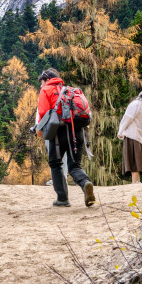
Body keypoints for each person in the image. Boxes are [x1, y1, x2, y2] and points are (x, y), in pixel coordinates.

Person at [36, 68, 96, 208]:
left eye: (41, 82)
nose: (40, 85)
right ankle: (85, 183)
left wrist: (39, 130)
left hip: (58, 133)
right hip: (77, 131)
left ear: (47, 80)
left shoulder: (46, 91)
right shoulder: (70, 90)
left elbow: (44, 112)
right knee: (74, 165)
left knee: (56, 164)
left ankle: (62, 199)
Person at [117, 89, 142, 183]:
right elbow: (127, 117)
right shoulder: (136, 104)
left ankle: (136, 181)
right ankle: (135, 182)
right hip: (132, 135)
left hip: (138, 136)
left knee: (137, 160)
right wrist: (120, 131)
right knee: (134, 161)